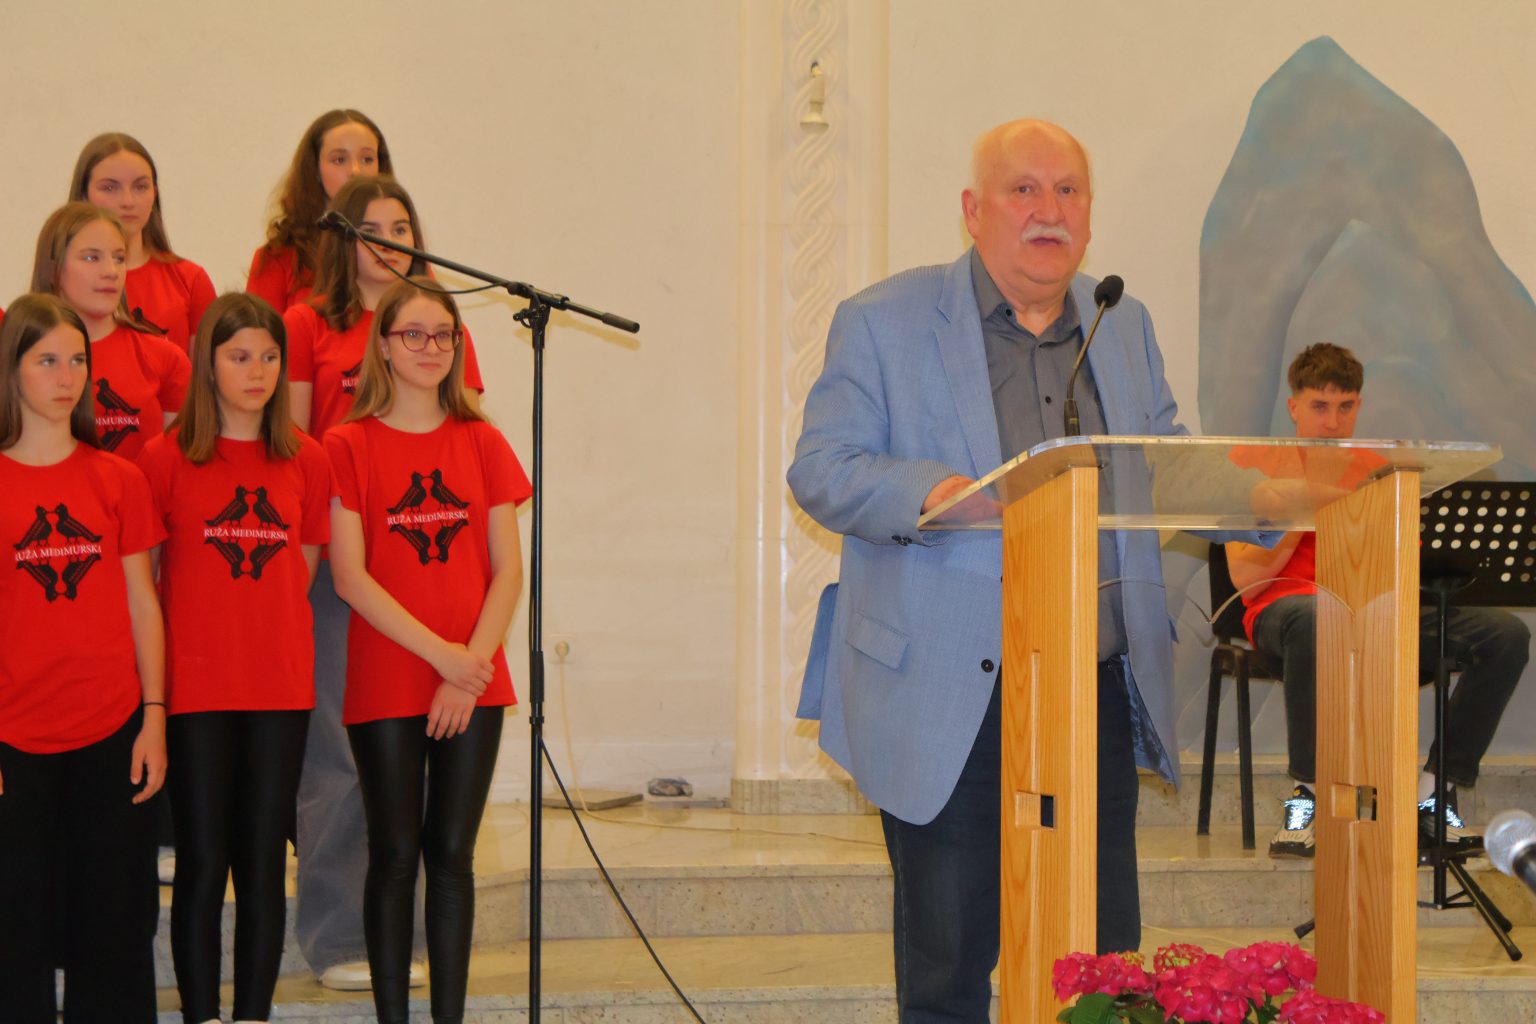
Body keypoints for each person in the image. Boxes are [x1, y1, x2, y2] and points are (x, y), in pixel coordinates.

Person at [788, 119, 1196, 1022]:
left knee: (1101, 965)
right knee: (948, 966)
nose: (1050, 211)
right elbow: (821, 469)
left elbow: (1164, 460)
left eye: (1069, 191)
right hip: (950, 691)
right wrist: (936, 494)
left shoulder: (1122, 323)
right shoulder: (883, 320)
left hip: (1090, 685)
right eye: (1025, 190)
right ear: (974, 212)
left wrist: (1271, 488)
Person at [287, 174, 486, 992]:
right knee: (341, 762)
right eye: (371, 227)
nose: (389, 240)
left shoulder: (437, 318)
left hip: (430, 570)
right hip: (348, 567)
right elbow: (294, 444)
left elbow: (464, 436)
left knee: (430, 770)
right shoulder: (310, 322)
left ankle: (411, 935)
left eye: (401, 226)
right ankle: (340, 935)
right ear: (343, 239)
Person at [1227, 342, 1529, 859]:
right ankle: (1310, 796)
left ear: (1359, 406)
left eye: (1345, 406)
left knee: (1505, 634)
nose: (1332, 422)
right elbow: (1248, 582)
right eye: (1320, 406)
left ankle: (1432, 792)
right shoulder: (1252, 464)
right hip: (1288, 613)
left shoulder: (1381, 469)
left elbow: (1407, 572)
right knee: (1318, 617)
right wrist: (1310, 499)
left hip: (1376, 612)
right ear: (1294, 406)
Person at [325, 277, 528, 1024]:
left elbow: (508, 572)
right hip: (390, 676)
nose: (431, 347)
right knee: (394, 855)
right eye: (413, 334)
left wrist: (466, 668)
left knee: (451, 856)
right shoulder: (347, 445)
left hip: (474, 677)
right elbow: (350, 577)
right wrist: (443, 658)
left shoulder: (483, 441)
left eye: (444, 335)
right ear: (383, 346)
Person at [138, 293, 331, 1024]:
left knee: (262, 867)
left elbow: (301, 572)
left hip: (278, 689)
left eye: (271, 357)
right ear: (208, 365)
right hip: (195, 690)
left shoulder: (307, 458)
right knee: (201, 863)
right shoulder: (165, 459)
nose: (258, 371)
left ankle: (251, 1014)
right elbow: (148, 582)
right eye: (240, 356)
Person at [0, 292, 167, 1021]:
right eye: (47, 361)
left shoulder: (118, 477)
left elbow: (143, 604)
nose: (66, 377)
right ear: (12, 369)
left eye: (76, 360)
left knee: (116, 931)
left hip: (113, 730)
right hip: (13, 739)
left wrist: (154, 716)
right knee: (15, 935)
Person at [31, 202, 190, 462]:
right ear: (53, 268)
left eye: (119, 258)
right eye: (91, 258)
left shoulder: (165, 358)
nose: (111, 272)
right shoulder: (18, 356)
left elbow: (178, 467)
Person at [69, 133, 216, 354]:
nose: (127, 201)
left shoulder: (190, 281)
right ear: (84, 195)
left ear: (154, 194)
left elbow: (204, 372)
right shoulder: (67, 279)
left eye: (140, 187)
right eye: (109, 188)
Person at [248, 109, 392, 312]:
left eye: (367, 159)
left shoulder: (399, 251)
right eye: (339, 160)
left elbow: (428, 324)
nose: (356, 171)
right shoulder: (278, 257)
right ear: (315, 170)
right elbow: (257, 330)